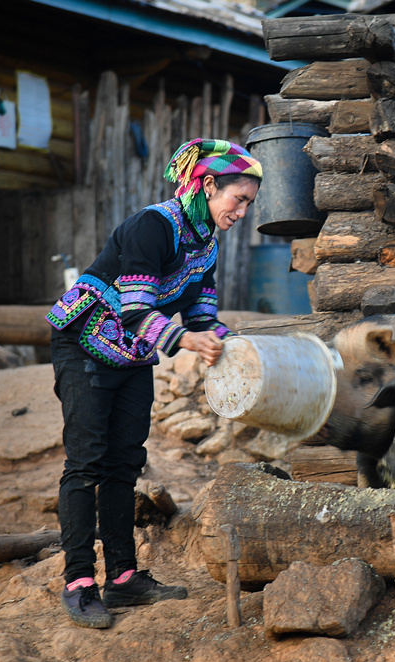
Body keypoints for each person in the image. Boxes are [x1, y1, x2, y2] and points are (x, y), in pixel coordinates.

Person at [45, 138, 262, 628]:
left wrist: (232, 345)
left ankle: (122, 578)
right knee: (86, 462)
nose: (243, 212)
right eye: (238, 200)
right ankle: (79, 581)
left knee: (125, 462)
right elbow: (137, 309)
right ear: (208, 185)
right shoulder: (154, 225)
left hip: (132, 354)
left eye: (249, 203)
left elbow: (204, 313)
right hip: (84, 343)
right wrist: (187, 340)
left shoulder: (207, 241)